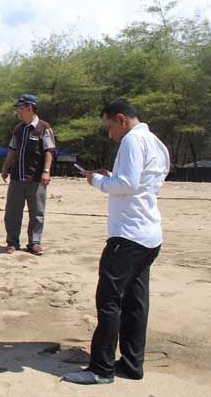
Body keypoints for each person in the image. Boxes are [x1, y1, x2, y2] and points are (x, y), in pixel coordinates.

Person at [62, 99, 170, 385]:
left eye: (109, 127)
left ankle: (101, 368)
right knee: (135, 301)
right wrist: (113, 177)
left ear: (121, 119)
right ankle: (133, 364)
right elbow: (146, 180)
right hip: (149, 235)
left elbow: (128, 185)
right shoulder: (155, 142)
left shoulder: (132, 141)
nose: (109, 134)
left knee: (109, 300)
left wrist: (97, 181)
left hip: (128, 236)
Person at [1, 94, 56, 255]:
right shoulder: (18, 129)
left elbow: (49, 151)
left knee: (37, 212)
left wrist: (46, 171)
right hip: (17, 176)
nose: (18, 111)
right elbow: (12, 150)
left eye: (20, 108)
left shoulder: (44, 127)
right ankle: (12, 242)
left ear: (29, 108)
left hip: (36, 178)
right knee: (12, 212)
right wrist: (5, 168)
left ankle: (34, 242)